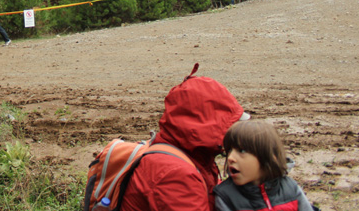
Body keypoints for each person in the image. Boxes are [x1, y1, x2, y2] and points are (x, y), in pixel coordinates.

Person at [120, 65, 249, 211]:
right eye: (229, 124)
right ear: (206, 124)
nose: (234, 134)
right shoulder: (175, 174)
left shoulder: (193, 154)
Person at [214, 121, 314, 211]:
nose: (231, 157)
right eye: (229, 151)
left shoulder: (290, 188)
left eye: (242, 151)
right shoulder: (226, 197)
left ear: (268, 157)